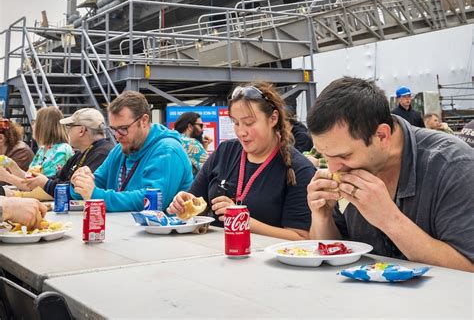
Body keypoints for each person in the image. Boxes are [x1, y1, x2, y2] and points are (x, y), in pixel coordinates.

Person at [306, 77, 474, 272]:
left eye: (344, 155)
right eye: (326, 156)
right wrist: (322, 217)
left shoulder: (452, 165)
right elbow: (333, 254)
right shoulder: (348, 167)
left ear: (381, 136)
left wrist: (389, 219)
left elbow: (468, 268)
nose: (334, 168)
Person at [169, 82, 315, 240]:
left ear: (273, 119)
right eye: (236, 123)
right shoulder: (225, 152)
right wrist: (184, 204)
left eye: (249, 123)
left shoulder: (299, 169)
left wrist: (243, 220)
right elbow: (197, 205)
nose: (241, 132)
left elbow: (301, 238)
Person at [70, 91, 192, 211]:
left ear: (144, 121)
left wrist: (97, 196)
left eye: (123, 129)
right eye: (113, 129)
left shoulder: (167, 150)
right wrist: (80, 182)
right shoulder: (120, 149)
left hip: (160, 230)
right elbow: (95, 183)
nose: (117, 136)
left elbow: (151, 200)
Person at [21, 108, 113, 197]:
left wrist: (46, 183)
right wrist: (43, 181)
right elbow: (59, 177)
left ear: (82, 130)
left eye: (69, 126)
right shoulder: (82, 153)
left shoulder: (102, 153)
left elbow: (80, 189)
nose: (67, 130)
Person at [0, 107, 73, 187]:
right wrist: (11, 164)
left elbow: (42, 187)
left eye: (34, 122)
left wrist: (7, 177)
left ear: (44, 126)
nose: (32, 125)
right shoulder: (43, 149)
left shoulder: (61, 151)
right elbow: (29, 178)